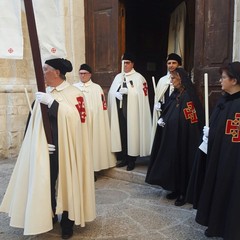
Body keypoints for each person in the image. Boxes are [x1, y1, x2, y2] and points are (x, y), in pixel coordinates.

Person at [0, 58, 96, 239]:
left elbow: (77, 121)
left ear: (57, 72)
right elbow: (35, 123)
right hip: (47, 149)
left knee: (67, 184)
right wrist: (40, 142)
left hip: (68, 149)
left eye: (45, 69)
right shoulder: (44, 93)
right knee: (47, 182)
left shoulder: (74, 93)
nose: (42, 73)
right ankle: (49, 214)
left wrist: (53, 104)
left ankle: (67, 222)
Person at [190, 62, 240, 239]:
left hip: (233, 159)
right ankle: (214, 224)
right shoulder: (223, 101)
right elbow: (219, 127)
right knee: (215, 188)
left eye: (224, 77)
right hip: (218, 155)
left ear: (234, 80)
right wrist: (209, 135)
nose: (220, 80)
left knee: (230, 191)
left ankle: (229, 228)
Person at [145, 68, 204, 206]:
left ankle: (184, 192)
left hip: (184, 138)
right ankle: (176, 188)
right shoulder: (175, 94)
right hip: (172, 136)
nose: (171, 81)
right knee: (173, 162)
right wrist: (163, 115)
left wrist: (174, 123)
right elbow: (170, 110)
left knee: (182, 163)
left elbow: (190, 120)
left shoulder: (188, 96)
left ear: (181, 79)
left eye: (173, 79)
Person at [108, 52, 152, 171]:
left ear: (132, 64)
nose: (125, 65)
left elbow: (142, 95)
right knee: (122, 133)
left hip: (133, 113)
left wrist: (130, 93)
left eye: (127, 63)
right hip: (120, 111)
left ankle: (132, 160)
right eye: (123, 63)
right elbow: (111, 92)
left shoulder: (139, 78)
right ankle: (123, 158)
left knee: (132, 134)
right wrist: (115, 94)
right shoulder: (118, 77)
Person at [73, 63, 116, 174]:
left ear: (90, 74)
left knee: (93, 145)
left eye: (85, 73)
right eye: (80, 73)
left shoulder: (97, 88)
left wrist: (94, 118)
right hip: (78, 123)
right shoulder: (73, 88)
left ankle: (92, 170)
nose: (82, 76)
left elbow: (102, 107)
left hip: (93, 123)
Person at [150, 53, 182, 149]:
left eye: (174, 63)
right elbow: (159, 96)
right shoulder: (162, 80)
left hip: (175, 113)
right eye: (169, 63)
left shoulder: (183, 80)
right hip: (163, 113)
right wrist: (158, 105)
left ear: (179, 64)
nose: (171, 65)